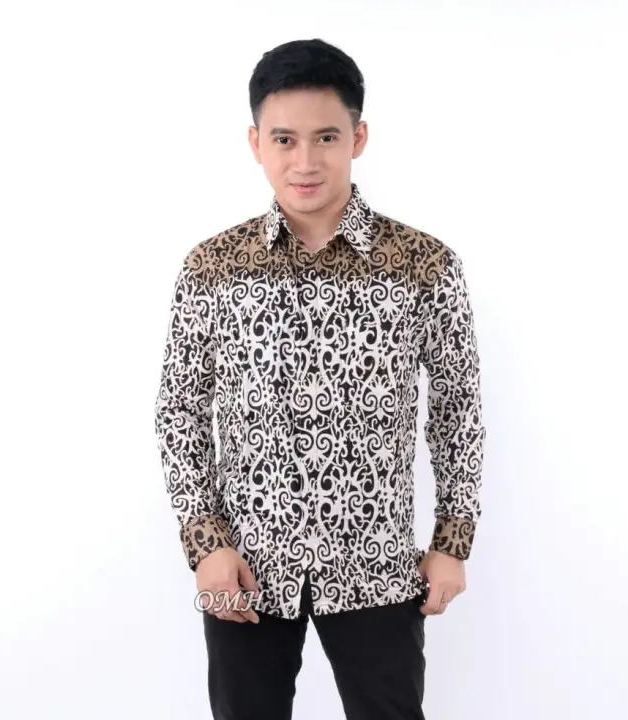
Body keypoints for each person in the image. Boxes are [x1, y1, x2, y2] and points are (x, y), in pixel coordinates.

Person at [154, 37, 486, 720]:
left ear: (358, 138)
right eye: (284, 139)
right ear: (256, 143)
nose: (304, 161)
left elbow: (457, 409)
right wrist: (205, 544)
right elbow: (179, 412)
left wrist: (452, 543)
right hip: (244, 567)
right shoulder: (211, 268)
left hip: (377, 564)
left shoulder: (424, 265)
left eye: (326, 137)